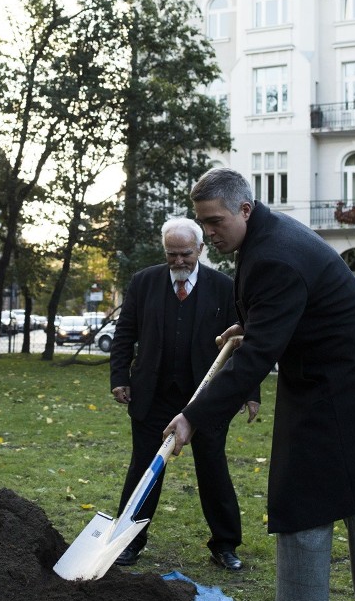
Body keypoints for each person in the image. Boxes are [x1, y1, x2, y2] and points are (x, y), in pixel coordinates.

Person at [164, 169, 355, 601]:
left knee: (303, 500)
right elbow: (291, 310)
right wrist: (257, 321)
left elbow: (258, 357)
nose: (208, 232)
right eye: (201, 222)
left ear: (243, 209)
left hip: (340, 387)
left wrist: (193, 418)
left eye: (214, 221)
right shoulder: (269, 238)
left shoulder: (273, 256)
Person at [110, 217, 259, 570]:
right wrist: (120, 376)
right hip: (153, 396)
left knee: (213, 469)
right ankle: (129, 540)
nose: (178, 262)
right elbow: (124, 332)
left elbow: (244, 344)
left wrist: (248, 392)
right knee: (145, 469)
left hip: (206, 398)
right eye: (172, 255)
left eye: (185, 254)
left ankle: (225, 545)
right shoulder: (144, 283)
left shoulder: (224, 287)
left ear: (200, 250)